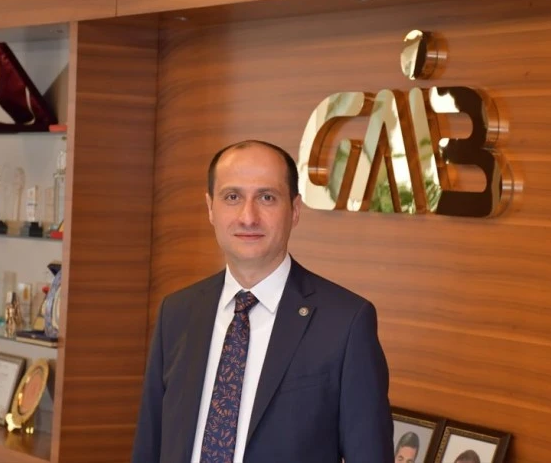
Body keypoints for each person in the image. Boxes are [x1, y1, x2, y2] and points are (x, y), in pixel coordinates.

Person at [131, 140, 393, 463]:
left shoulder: (346, 323)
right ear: (210, 208)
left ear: (295, 210)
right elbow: (149, 446)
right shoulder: (177, 312)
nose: (248, 216)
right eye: (232, 197)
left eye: (267, 197)